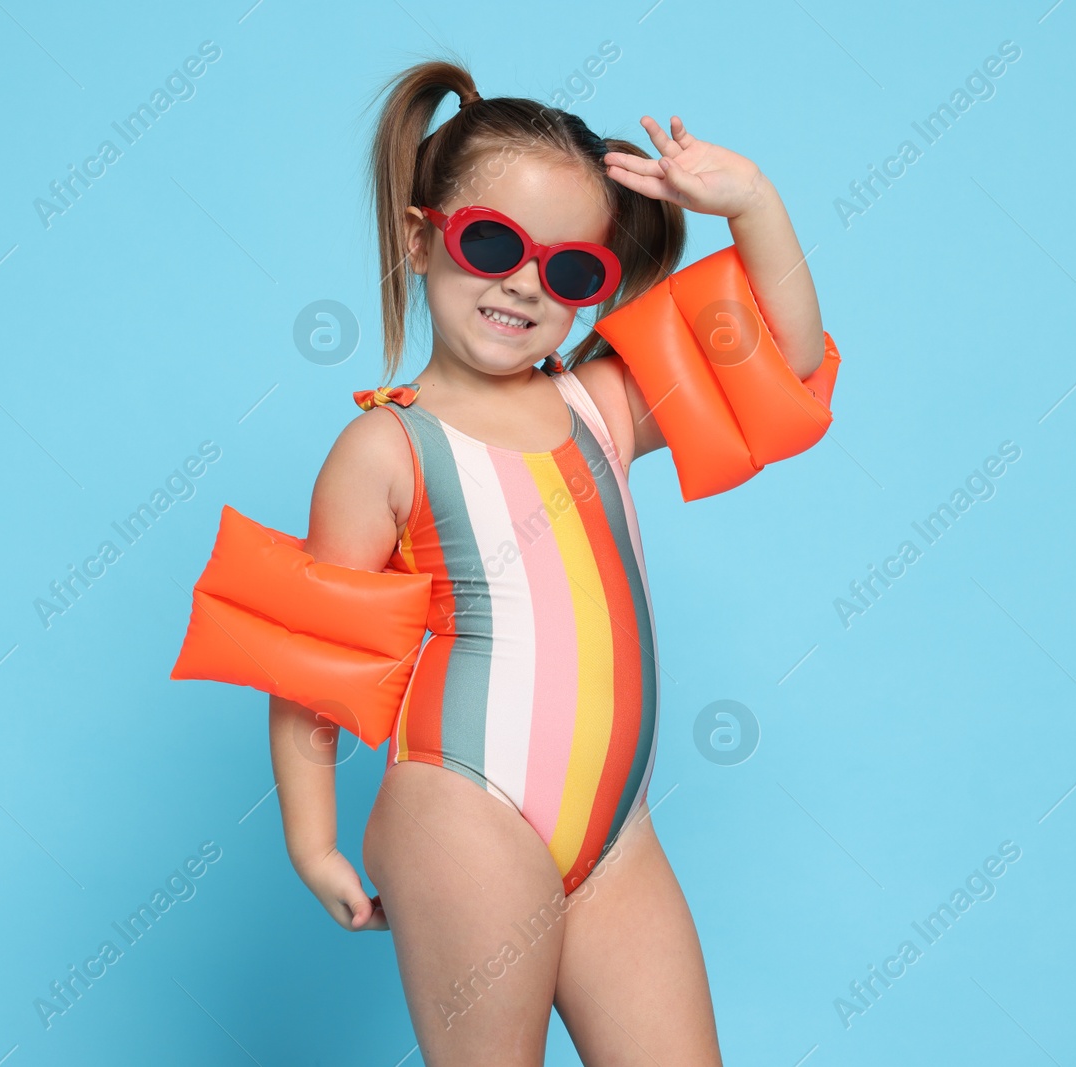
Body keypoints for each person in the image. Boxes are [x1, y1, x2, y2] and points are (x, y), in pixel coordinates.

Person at [270, 57, 829, 1066]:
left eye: (573, 269)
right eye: (492, 244)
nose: (526, 283)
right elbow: (311, 658)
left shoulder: (599, 405)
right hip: (464, 811)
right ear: (420, 237)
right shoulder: (386, 448)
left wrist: (750, 202)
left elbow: (784, 355)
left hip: (616, 833)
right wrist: (312, 840)